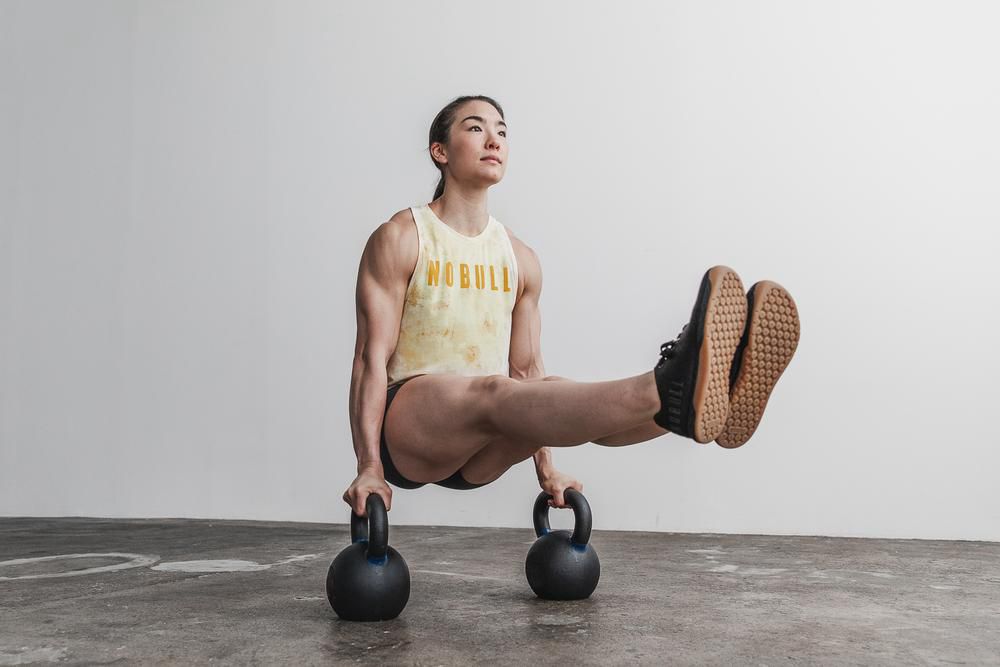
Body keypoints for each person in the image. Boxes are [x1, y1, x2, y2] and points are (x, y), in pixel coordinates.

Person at [343, 95, 800, 517]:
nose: (493, 140)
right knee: (491, 392)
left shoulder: (520, 259)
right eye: (475, 128)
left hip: (480, 448)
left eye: (502, 132)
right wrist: (368, 465)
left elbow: (527, 375)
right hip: (408, 430)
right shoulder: (402, 237)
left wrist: (549, 472)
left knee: (539, 389)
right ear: (440, 151)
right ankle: (671, 381)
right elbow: (370, 359)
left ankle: (691, 404)